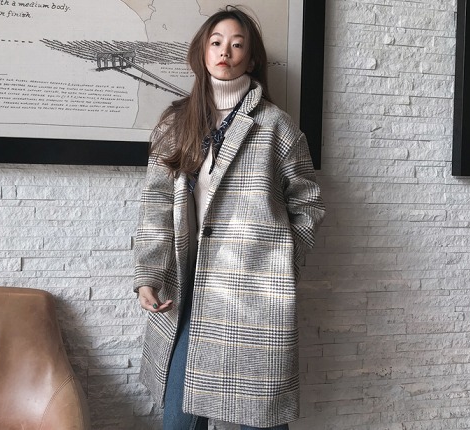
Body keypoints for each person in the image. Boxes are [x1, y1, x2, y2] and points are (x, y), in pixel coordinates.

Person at [134, 6, 325, 430]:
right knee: (179, 419)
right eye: (216, 42)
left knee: (259, 419)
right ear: (202, 52)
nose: (225, 52)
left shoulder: (275, 125)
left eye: (237, 45)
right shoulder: (176, 123)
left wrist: (283, 262)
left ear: (251, 58)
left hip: (254, 290)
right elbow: (156, 203)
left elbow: (308, 202)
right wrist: (149, 274)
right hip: (188, 288)